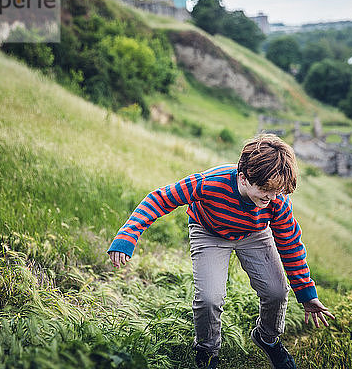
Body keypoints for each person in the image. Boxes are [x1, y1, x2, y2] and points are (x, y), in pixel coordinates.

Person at [107, 134, 335, 369]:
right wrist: (127, 236)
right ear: (244, 177)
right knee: (209, 298)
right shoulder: (210, 183)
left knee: (277, 291)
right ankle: (207, 353)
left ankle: (268, 339)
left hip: (254, 234)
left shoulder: (277, 201)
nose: (272, 198)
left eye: (278, 192)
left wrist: (307, 294)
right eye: (266, 190)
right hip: (209, 232)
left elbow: (291, 245)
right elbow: (160, 199)